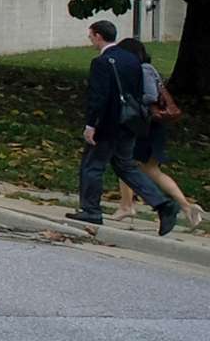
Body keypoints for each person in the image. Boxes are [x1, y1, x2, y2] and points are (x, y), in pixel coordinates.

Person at [73, 18, 177, 234]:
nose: (90, 39)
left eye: (91, 35)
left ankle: (91, 209)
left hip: (108, 124)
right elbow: (138, 93)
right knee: (126, 166)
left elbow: (98, 98)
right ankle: (163, 204)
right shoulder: (131, 60)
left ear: (98, 36)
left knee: (93, 165)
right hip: (130, 122)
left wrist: (91, 125)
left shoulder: (101, 63)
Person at [113, 38, 201, 228]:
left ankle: (128, 206)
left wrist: (131, 100)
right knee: (144, 167)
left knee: (128, 163)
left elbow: (151, 96)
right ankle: (186, 207)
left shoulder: (143, 69)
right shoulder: (147, 68)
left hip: (147, 126)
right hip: (152, 126)